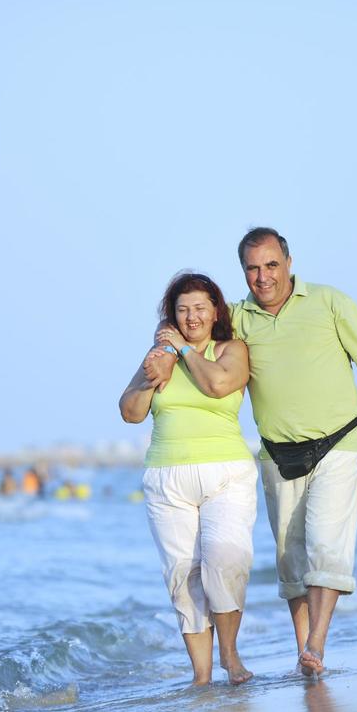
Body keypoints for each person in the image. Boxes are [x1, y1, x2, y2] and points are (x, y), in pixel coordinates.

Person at [146, 228, 357, 678]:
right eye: (252, 268)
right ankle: (301, 648)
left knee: (326, 546)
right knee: (291, 560)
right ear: (243, 272)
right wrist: (168, 340)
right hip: (277, 453)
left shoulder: (330, 302)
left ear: (288, 262)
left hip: (338, 442)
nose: (263, 276)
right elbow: (193, 325)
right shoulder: (240, 317)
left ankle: (316, 646)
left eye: (270, 265)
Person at [120, 272, 257, 687]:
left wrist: (181, 350)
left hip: (226, 474)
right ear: (171, 315)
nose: (191, 316)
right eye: (182, 310)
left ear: (216, 311)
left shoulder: (231, 350)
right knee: (183, 577)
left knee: (224, 562)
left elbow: (217, 385)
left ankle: (230, 657)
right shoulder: (159, 355)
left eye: (199, 308)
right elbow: (130, 412)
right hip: (166, 477)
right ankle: (201, 676)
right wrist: (150, 375)